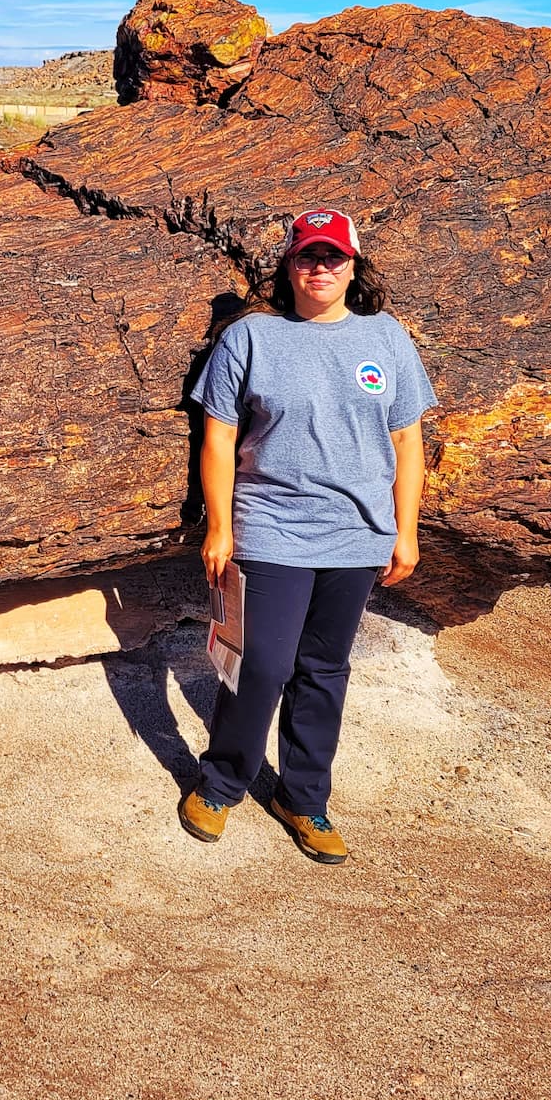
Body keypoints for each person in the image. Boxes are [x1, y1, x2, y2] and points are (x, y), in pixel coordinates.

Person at [176, 208, 437, 864]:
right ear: (289, 265)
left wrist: (405, 532)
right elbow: (219, 437)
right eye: (308, 258)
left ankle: (304, 797)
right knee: (259, 665)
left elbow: (408, 442)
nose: (321, 269)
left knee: (323, 669)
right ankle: (223, 780)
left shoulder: (386, 338)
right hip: (272, 528)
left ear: (354, 266)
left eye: (334, 258)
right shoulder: (252, 338)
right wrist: (220, 527)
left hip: (357, 536)